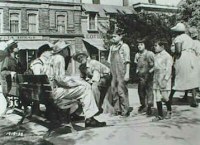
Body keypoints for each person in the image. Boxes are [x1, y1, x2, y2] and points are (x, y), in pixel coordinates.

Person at [42, 40, 106, 128]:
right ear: (63, 50)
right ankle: (90, 119)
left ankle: (77, 113)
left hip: (47, 91)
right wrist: (78, 82)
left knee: (82, 86)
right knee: (86, 87)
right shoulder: (59, 58)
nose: (68, 51)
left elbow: (56, 78)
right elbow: (61, 79)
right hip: (55, 92)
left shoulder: (50, 59)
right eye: (67, 49)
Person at [171, 22, 199, 107]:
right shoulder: (189, 38)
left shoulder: (178, 38)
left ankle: (169, 97)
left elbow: (178, 51)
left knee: (179, 77)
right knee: (192, 78)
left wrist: (174, 56)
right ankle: (194, 100)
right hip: (192, 58)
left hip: (183, 58)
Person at [107, 32, 132, 117]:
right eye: (112, 36)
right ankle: (117, 110)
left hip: (121, 72)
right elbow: (109, 62)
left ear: (120, 37)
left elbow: (127, 61)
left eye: (115, 36)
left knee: (121, 91)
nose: (113, 38)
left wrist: (127, 73)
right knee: (114, 91)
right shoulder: (111, 47)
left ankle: (125, 110)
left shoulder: (124, 46)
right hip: (113, 72)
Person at [152, 39, 173, 121]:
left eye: (156, 46)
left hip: (163, 77)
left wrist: (165, 79)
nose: (154, 47)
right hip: (156, 77)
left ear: (162, 46)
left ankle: (169, 111)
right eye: (154, 46)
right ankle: (160, 115)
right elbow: (155, 66)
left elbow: (168, 69)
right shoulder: (156, 55)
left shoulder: (167, 56)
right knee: (157, 96)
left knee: (164, 96)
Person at [134, 38, 154, 115]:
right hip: (141, 76)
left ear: (145, 45)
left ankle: (149, 106)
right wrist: (137, 70)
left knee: (149, 91)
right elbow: (137, 65)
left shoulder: (150, 54)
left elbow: (156, 64)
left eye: (141, 44)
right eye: (138, 45)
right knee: (141, 91)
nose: (139, 46)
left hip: (149, 76)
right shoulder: (137, 55)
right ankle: (143, 105)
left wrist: (151, 71)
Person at [0, 39, 20, 111]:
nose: (18, 48)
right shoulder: (7, 58)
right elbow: (2, 71)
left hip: (13, 82)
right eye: (16, 46)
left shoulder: (14, 58)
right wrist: (11, 73)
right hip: (8, 82)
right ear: (12, 48)